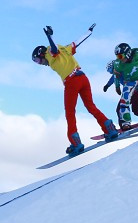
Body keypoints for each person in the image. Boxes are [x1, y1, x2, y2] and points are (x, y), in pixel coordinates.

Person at [33, 25, 118, 155]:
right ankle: (109, 128)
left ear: (41, 54)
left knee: (70, 112)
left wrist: (50, 36)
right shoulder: (65, 48)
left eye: (38, 60)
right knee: (90, 106)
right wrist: (89, 31)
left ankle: (75, 143)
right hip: (83, 77)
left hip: (72, 81)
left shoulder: (50, 53)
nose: (41, 63)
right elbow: (78, 42)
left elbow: (54, 49)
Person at [104, 60, 138, 127]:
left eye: (110, 70)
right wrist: (107, 86)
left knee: (120, 109)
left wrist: (107, 86)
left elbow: (113, 78)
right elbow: (112, 79)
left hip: (132, 92)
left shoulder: (120, 71)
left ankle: (124, 127)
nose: (112, 73)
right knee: (135, 109)